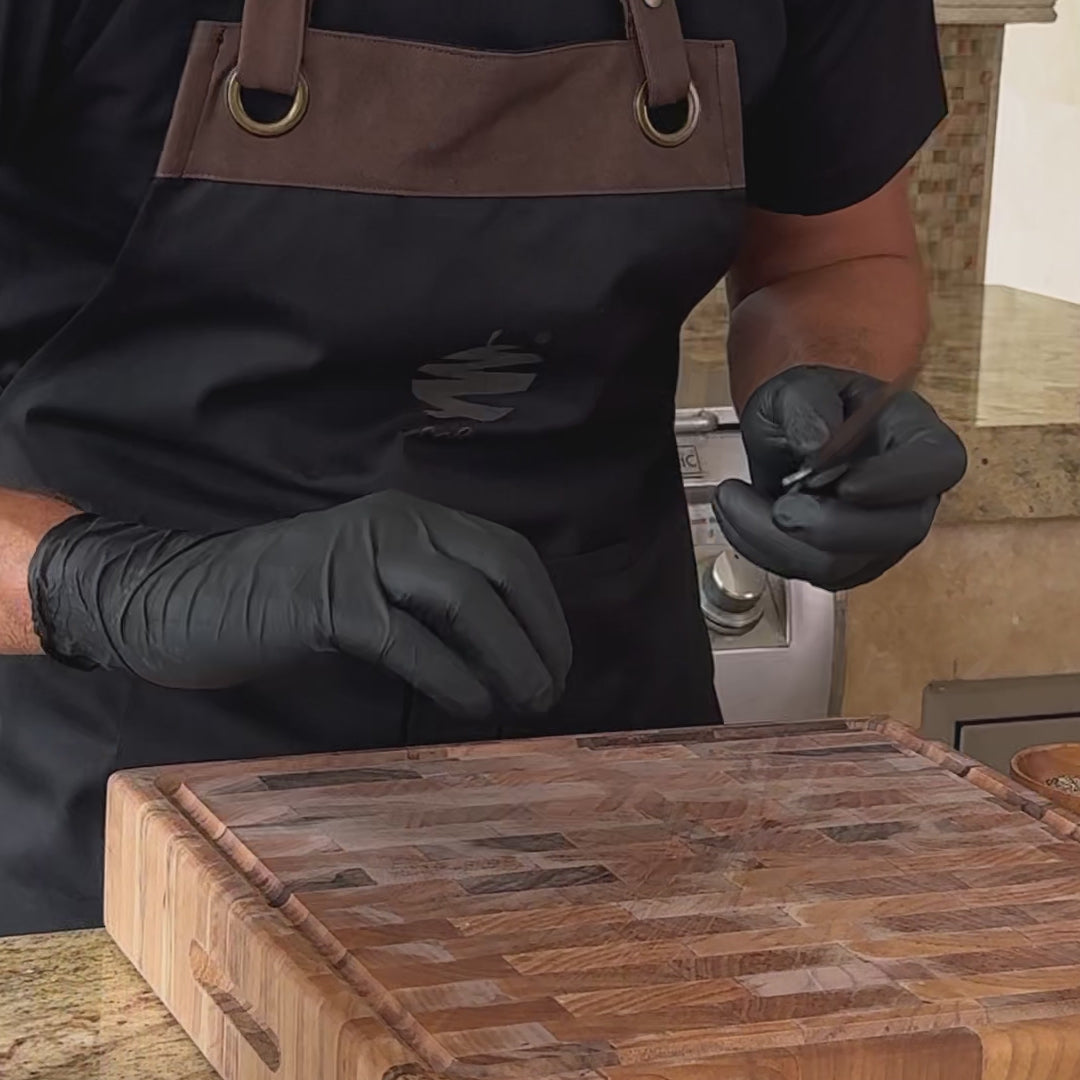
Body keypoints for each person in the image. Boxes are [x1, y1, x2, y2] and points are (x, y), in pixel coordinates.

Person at [0, 0, 966, 937]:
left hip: (610, 773)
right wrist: (118, 589)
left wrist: (828, 388)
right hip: (121, 799)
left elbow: (832, 257)